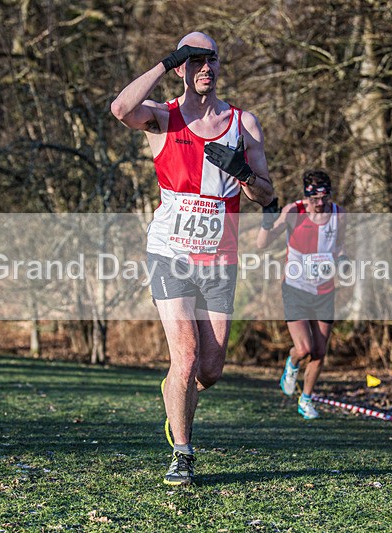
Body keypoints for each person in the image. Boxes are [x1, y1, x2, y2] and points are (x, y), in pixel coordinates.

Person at [111, 31, 274, 486]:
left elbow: (267, 194)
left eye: (212, 59)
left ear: (220, 66)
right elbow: (120, 109)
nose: (205, 67)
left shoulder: (245, 124)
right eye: (195, 60)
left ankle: (174, 399)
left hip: (220, 259)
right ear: (183, 67)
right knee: (183, 356)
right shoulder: (163, 118)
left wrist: (241, 171)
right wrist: (165, 62)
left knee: (210, 369)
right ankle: (182, 453)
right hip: (171, 255)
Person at [256, 170, 346, 419]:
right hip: (296, 289)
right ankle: (292, 363)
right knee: (304, 348)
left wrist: (343, 259)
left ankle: (306, 400)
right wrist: (267, 221)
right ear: (306, 196)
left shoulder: (339, 214)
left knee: (319, 351)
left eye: (324, 198)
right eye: (314, 199)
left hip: (325, 291)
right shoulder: (293, 211)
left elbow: (339, 246)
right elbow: (262, 243)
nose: (319, 204)